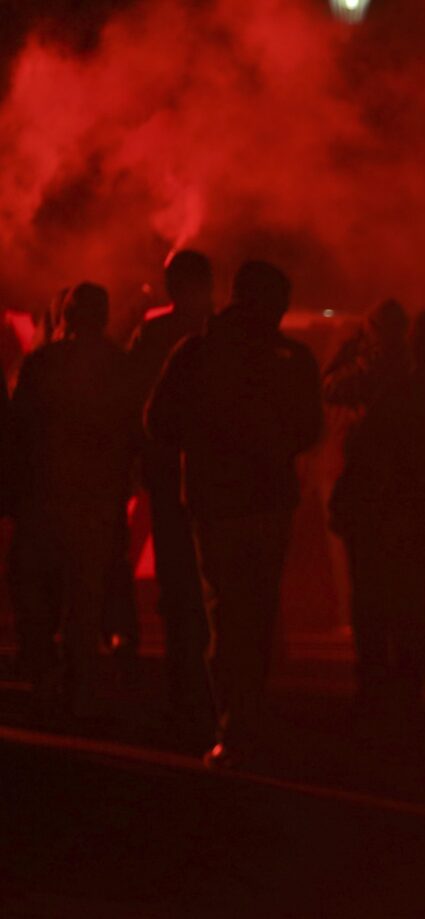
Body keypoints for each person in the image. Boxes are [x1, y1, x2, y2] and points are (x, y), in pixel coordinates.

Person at [146, 260, 323, 768]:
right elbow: (309, 428)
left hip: (217, 502)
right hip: (267, 502)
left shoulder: (198, 352)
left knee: (225, 613)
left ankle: (234, 722)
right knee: (258, 613)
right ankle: (247, 718)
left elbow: (158, 421)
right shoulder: (291, 357)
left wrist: (207, 444)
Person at [7, 283, 139, 720]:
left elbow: (18, 430)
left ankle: (43, 672)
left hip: (44, 497)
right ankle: (80, 686)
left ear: (66, 315)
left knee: (36, 589)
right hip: (98, 499)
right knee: (86, 593)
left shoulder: (42, 363)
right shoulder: (120, 366)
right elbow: (133, 433)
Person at [325, 302, 425, 719]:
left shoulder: (409, 389)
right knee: (402, 605)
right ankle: (403, 692)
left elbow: (368, 445)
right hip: (413, 512)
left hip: (390, 512)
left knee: (389, 606)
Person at [128, 250, 217, 736]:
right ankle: (212, 689)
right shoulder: (226, 334)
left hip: (170, 478)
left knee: (180, 586)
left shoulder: (158, 333)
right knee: (211, 586)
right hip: (214, 481)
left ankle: (186, 689)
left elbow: (138, 404)